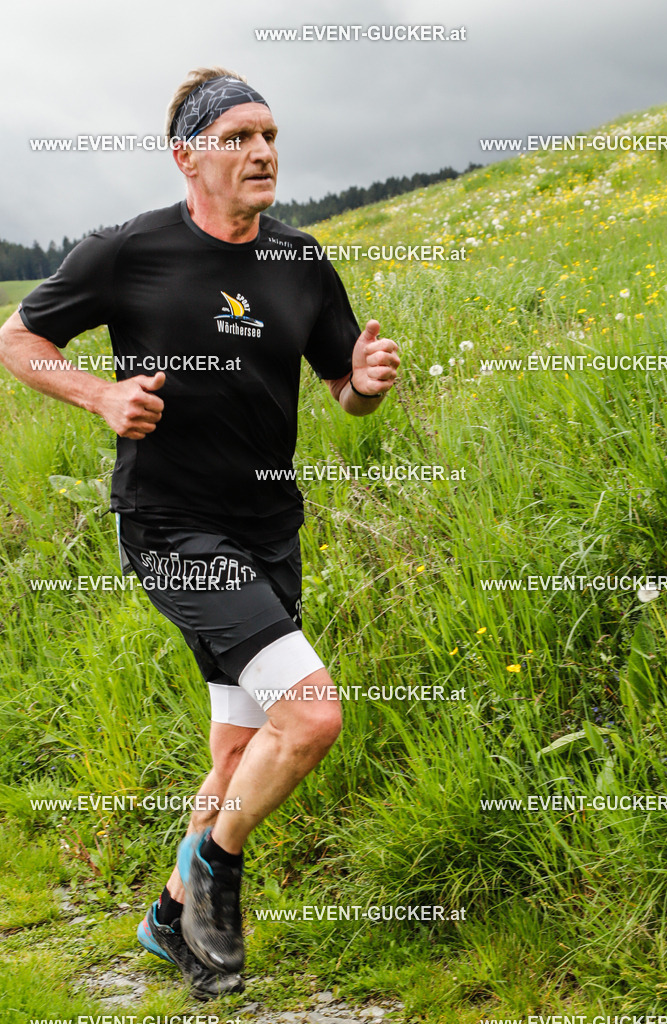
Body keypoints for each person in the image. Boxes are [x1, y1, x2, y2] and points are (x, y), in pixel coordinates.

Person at [0, 66, 400, 1000]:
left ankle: (171, 917)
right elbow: (16, 339)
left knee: (237, 748)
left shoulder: (300, 261)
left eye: (271, 135)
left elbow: (343, 389)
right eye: (240, 137)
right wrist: (100, 393)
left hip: (271, 528)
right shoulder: (127, 252)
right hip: (174, 528)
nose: (263, 152)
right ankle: (217, 868)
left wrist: (364, 386)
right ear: (188, 156)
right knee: (312, 714)